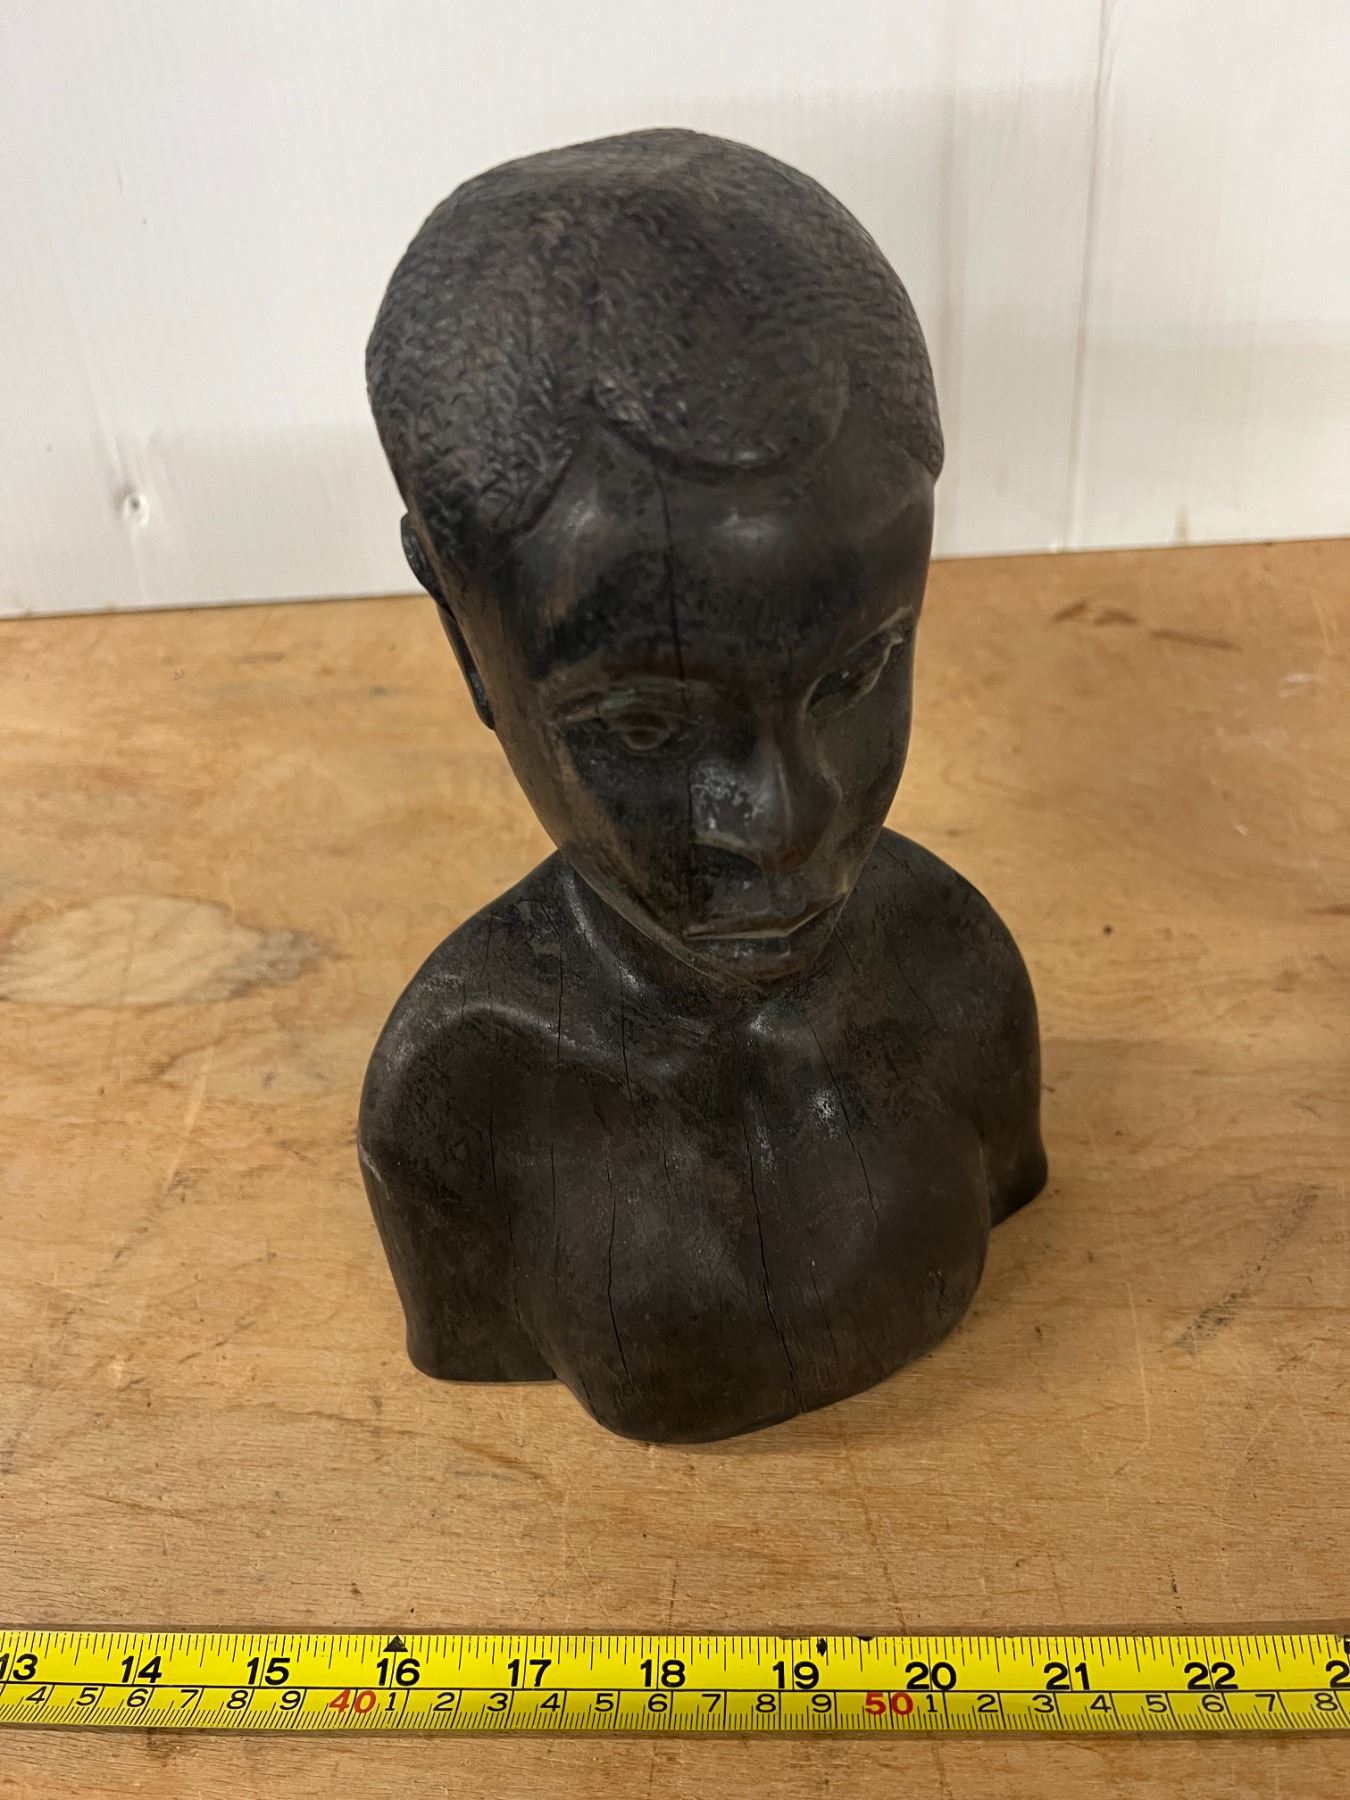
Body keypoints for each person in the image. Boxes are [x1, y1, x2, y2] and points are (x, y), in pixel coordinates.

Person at [359, 129, 1046, 1442]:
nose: (784, 824)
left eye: (857, 674)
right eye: (643, 723)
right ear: (464, 637)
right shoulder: (458, 1098)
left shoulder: (958, 973)